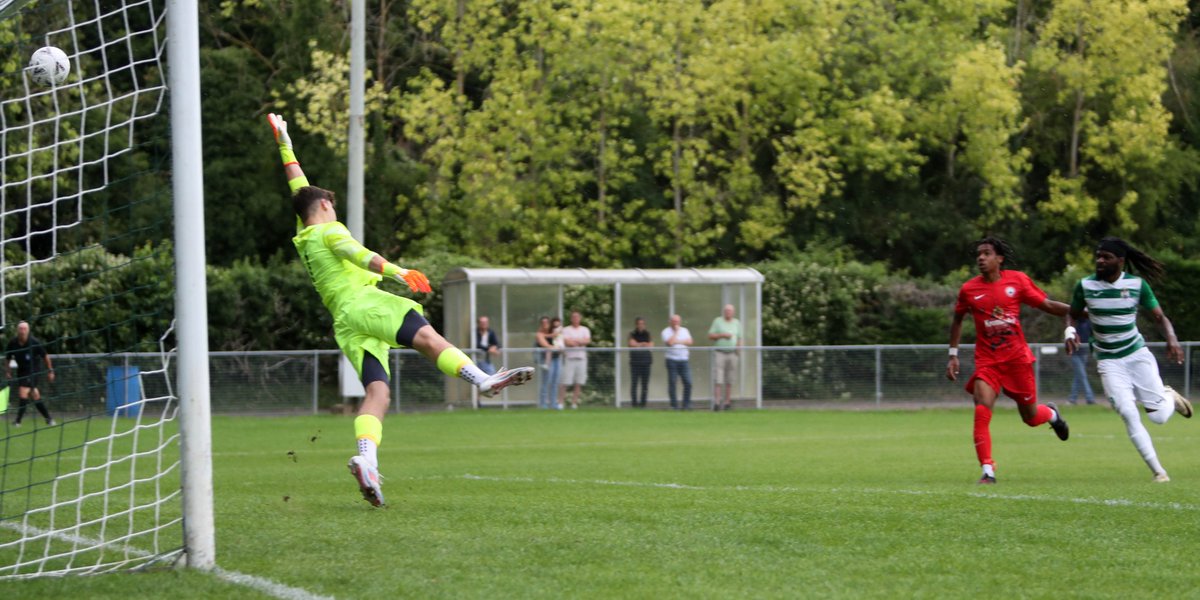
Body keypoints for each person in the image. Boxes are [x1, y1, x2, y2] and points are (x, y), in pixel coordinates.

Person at [268, 113, 533, 506]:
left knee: (378, 392)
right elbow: (357, 254)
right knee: (426, 335)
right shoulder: (331, 230)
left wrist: (284, 142)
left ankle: (367, 459)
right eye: (333, 206)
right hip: (365, 303)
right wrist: (398, 271)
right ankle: (482, 381)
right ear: (325, 205)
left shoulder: (304, 233)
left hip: (346, 322)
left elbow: (298, 186)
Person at [1066, 237, 1193, 483]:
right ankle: (1159, 472)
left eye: (1106, 257)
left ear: (1120, 262)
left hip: (1137, 356)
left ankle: (1169, 397)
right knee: (1127, 412)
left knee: (1158, 418)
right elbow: (1071, 315)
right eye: (1098, 256)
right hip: (1108, 361)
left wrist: (1172, 338)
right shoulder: (1085, 286)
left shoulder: (1137, 285)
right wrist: (1069, 331)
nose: (1100, 261)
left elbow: (1159, 317)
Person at [946, 237, 1071, 485]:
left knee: (1031, 417)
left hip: (1017, 360)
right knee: (982, 408)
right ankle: (988, 471)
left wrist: (1080, 311)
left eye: (987, 253)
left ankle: (1053, 416)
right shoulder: (969, 290)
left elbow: (1046, 304)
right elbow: (958, 320)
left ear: (999, 259)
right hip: (988, 362)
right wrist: (953, 354)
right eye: (978, 254)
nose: (981, 258)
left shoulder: (1017, 280)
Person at [5, 321, 55, 427]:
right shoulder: (13, 343)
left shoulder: (34, 342)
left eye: (24, 329)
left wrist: (50, 371)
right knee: (35, 395)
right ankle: (49, 419)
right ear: (17, 330)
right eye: (21, 329)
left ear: (28, 330)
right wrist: (8, 371)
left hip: (34, 371)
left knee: (23, 391)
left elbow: (45, 356)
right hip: (21, 372)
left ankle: (18, 421)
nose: (22, 331)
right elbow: (8, 358)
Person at [708, 304, 742, 411]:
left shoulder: (737, 322)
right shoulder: (717, 321)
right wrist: (722, 335)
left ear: (733, 312)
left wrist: (738, 350)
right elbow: (710, 335)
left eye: (730, 311)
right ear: (724, 311)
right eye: (726, 310)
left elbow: (740, 338)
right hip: (720, 353)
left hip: (732, 354)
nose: (728, 312)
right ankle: (717, 402)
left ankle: (727, 402)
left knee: (730, 379)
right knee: (718, 378)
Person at [559, 311, 591, 409]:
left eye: (577, 317)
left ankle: (574, 403)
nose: (575, 319)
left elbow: (587, 340)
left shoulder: (585, 329)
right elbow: (567, 342)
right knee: (565, 381)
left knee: (579, 381)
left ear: (580, 318)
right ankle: (560, 403)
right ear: (571, 318)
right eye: (573, 317)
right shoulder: (566, 329)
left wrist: (576, 341)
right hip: (570, 358)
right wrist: (578, 341)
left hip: (581, 359)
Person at [661, 314, 693, 410]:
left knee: (688, 382)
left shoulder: (685, 330)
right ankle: (674, 405)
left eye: (678, 321)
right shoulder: (665, 331)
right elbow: (670, 343)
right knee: (672, 382)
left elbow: (690, 342)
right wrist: (676, 332)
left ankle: (686, 405)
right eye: (674, 321)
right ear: (670, 322)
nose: (676, 323)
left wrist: (677, 341)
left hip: (684, 360)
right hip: (671, 360)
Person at [1067, 311, 1095, 405]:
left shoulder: (1088, 323)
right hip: (1075, 353)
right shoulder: (1075, 324)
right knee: (1082, 376)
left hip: (1084, 353)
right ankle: (1090, 398)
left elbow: (1092, 335)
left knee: (1078, 376)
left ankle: (1072, 399)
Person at [535, 317, 561, 409]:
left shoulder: (553, 332)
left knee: (555, 382)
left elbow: (560, 340)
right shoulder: (539, 334)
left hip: (556, 359)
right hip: (546, 360)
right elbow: (545, 345)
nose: (545, 324)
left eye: (547, 322)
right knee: (546, 382)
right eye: (543, 323)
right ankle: (543, 404)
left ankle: (553, 403)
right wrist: (554, 347)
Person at [628, 317, 653, 408]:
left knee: (645, 384)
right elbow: (631, 344)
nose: (641, 325)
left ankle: (643, 404)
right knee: (634, 383)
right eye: (639, 323)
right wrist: (643, 344)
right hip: (635, 362)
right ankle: (634, 404)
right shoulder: (632, 333)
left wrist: (638, 344)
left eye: (642, 323)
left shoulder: (647, 333)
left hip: (646, 362)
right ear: (636, 324)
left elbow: (650, 345)